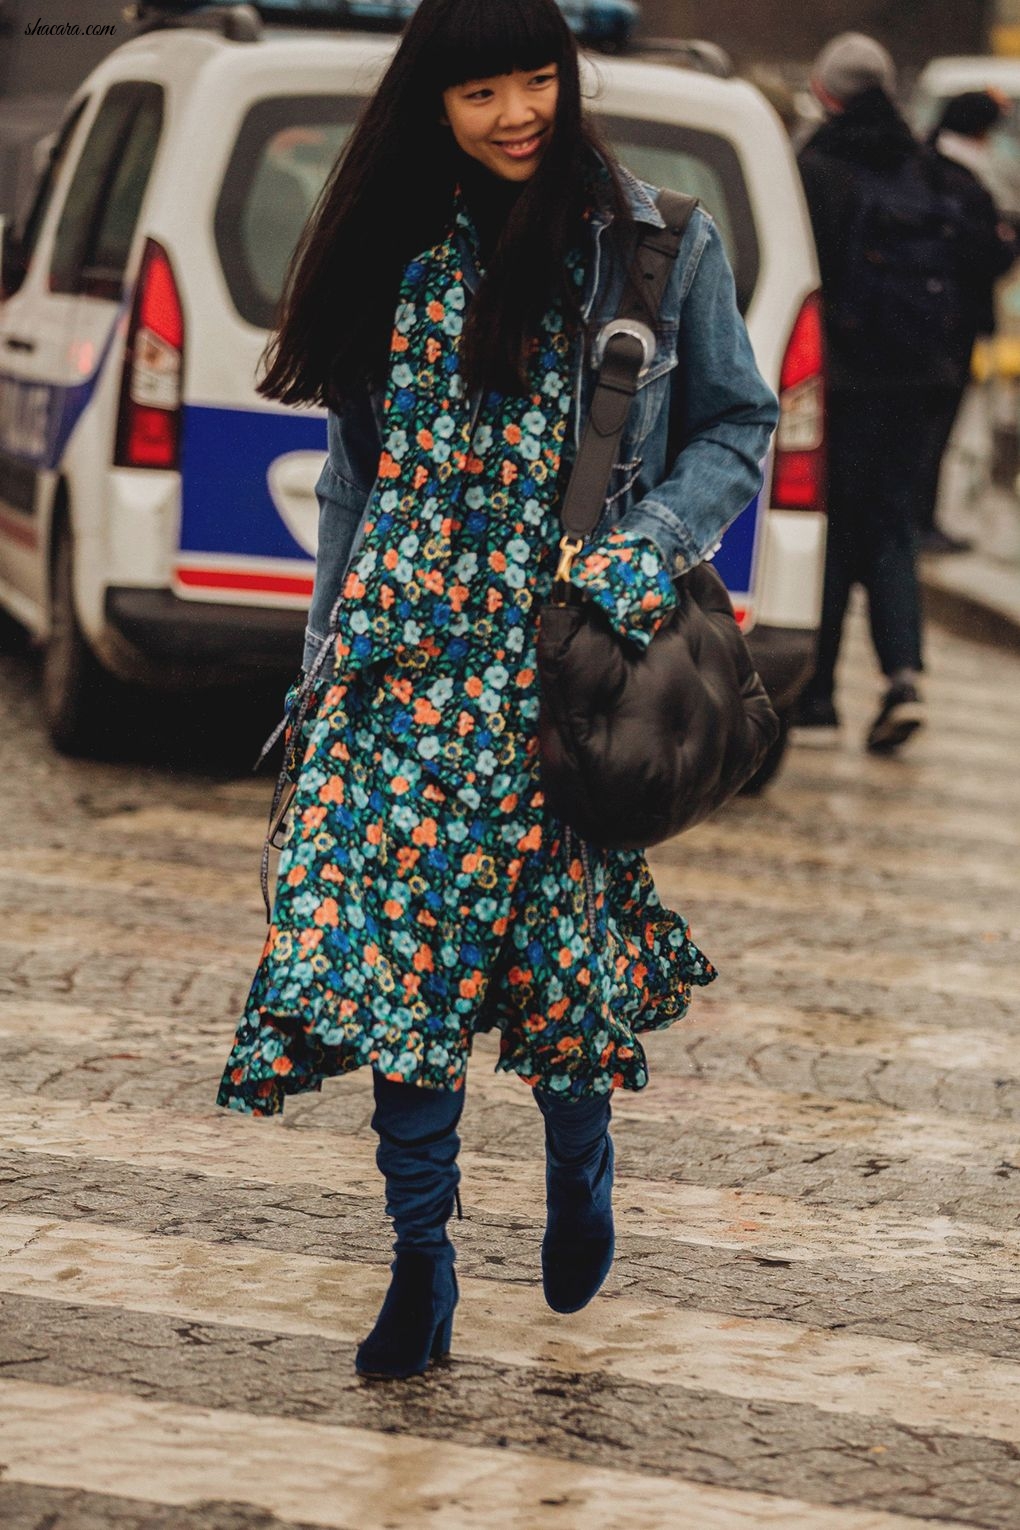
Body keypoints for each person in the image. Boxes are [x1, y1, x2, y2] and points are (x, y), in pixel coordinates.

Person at [215, 0, 778, 1380]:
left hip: (557, 676)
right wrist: (317, 676)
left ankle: (579, 1163)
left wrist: (645, 550)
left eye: (538, 78)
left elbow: (738, 424)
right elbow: (357, 472)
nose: (519, 110)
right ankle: (422, 1261)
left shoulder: (651, 242)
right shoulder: (385, 239)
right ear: (431, 102)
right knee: (394, 978)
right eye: (483, 90)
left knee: (555, 976)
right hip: (398, 672)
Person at [794, 33, 971, 752]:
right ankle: (903, 676)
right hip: (919, 378)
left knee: (833, 526)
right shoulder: (926, 166)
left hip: (844, 376)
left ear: (826, 90)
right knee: (893, 525)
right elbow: (980, 248)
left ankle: (816, 692)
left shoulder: (817, 164)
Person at [918, 91, 1019, 553]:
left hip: (927, 319)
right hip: (952, 324)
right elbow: (986, 255)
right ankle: (921, 519)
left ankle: (916, 516)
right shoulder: (966, 185)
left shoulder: (924, 168)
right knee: (936, 426)